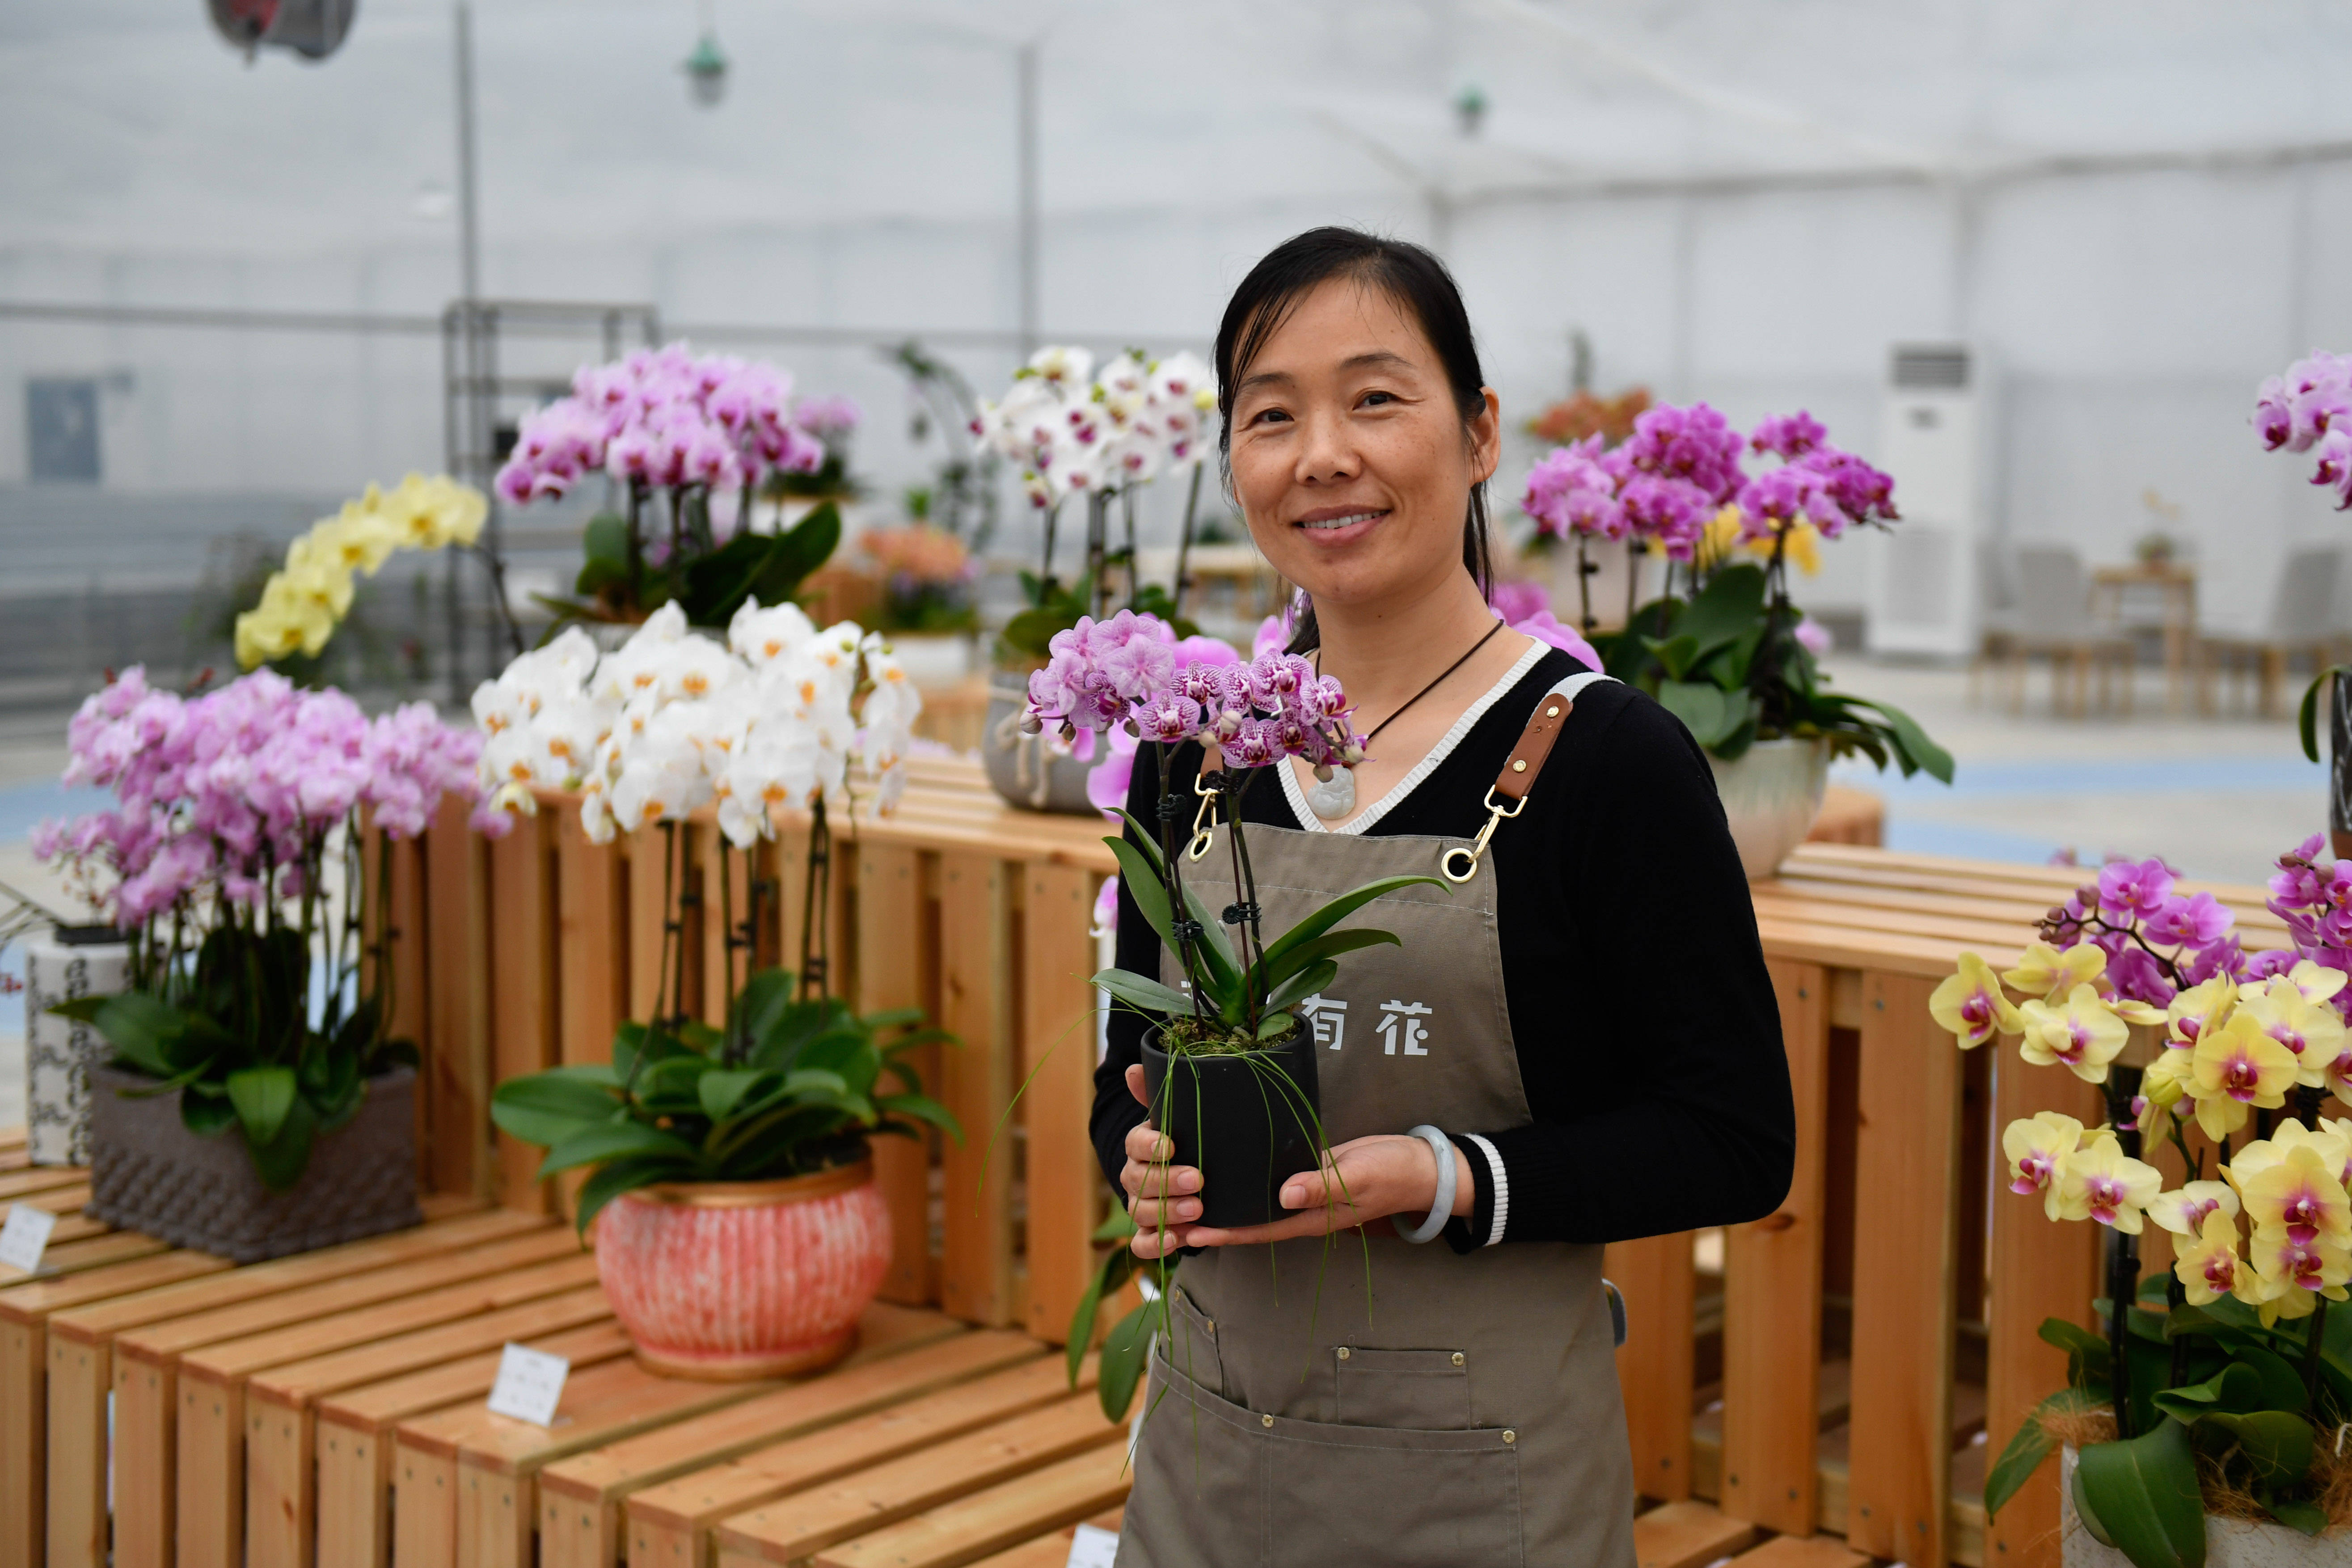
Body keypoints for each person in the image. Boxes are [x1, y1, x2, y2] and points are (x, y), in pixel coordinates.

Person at [1092, 226, 1795, 1568]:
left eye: (1374, 398)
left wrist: (1445, 1176)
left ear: (1478, 435)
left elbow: (1734, 1134)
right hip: (1214, 1467)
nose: (1322, 456)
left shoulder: (1605, 760)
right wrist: (1137, 1159)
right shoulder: (1190, 756)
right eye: (1271, 415)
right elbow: (1129, 1069)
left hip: (1489, 1488)